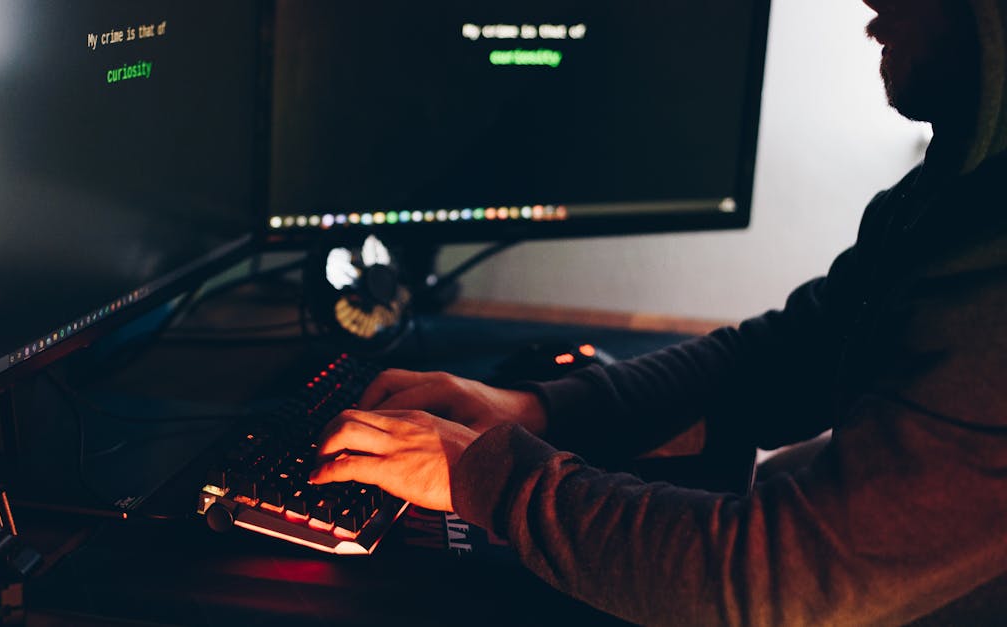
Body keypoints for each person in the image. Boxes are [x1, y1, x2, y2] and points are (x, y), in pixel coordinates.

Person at [309, 0, 1007, 624]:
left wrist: (479, 474)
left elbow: (777, 583)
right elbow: (789, 355)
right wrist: (535, 411)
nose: (869, 5)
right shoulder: (954, 191)